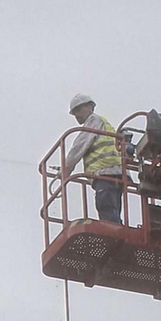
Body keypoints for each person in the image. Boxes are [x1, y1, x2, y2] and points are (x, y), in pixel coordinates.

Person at [63, 92, 124, 224]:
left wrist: (65, 170)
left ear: (90, 106)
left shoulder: (93, 121)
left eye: (78, 110)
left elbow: (79, 146)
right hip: (117, 174)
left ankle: (112, 233)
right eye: (74, 113)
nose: (77, 115)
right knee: (113, 209)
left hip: (104, 173)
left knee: (106, 208)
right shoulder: (103, 123)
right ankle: (116, 229)